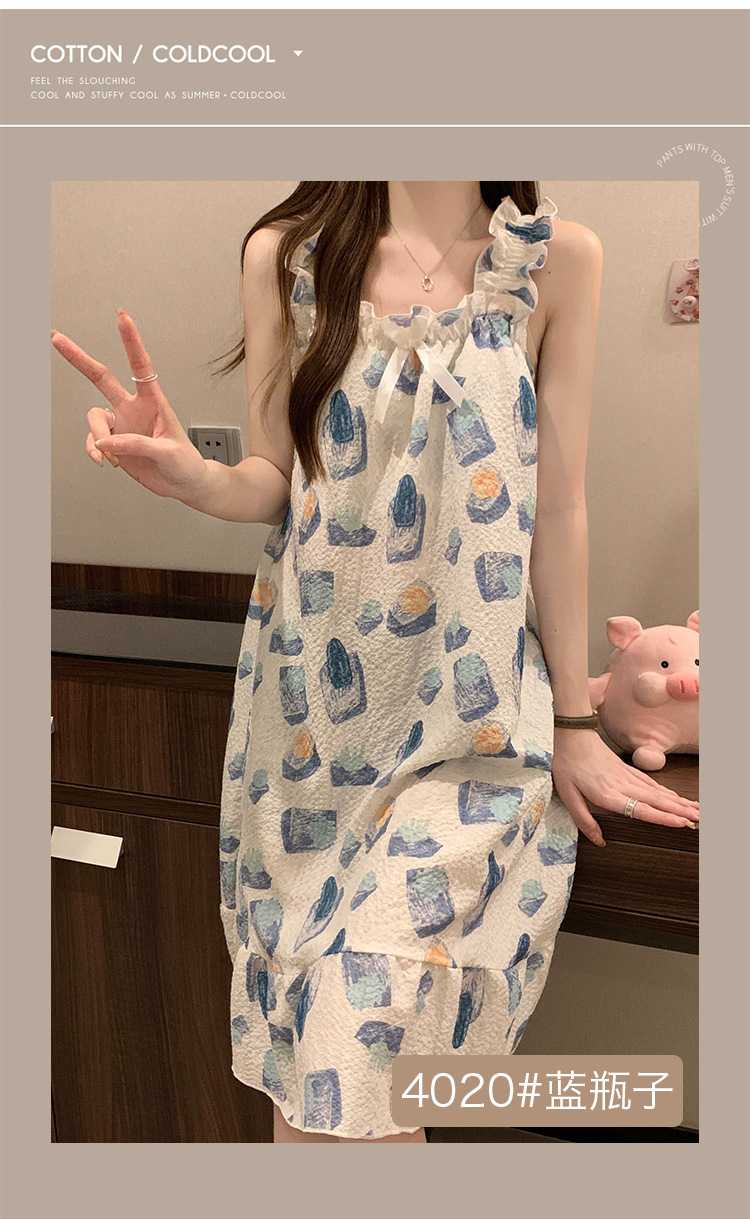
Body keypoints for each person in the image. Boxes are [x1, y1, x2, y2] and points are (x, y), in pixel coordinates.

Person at [51, 181, 699, 1145]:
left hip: (470, 721)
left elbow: (558, 508)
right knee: (323, 1072)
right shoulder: (285, 256)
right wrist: (196, 480)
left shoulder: (556, 261)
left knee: (358, 1042)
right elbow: (275, 478)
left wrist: (572, 721)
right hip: (310, 718)